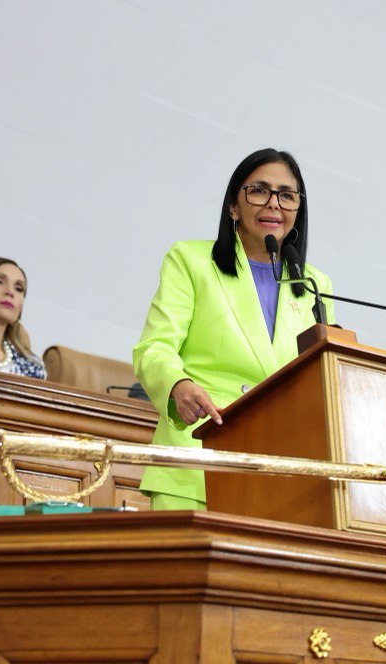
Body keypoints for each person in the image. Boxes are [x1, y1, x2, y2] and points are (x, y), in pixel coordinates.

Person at [133, 148, 334, 510]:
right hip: (199, 456)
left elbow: (322, 379)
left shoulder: (314, 285)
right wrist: (177, 385)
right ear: (233, 207)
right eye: (259, 190)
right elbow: (154, 348)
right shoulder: (191, 261)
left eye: (287, 195)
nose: (273, 204)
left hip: (281, 476)